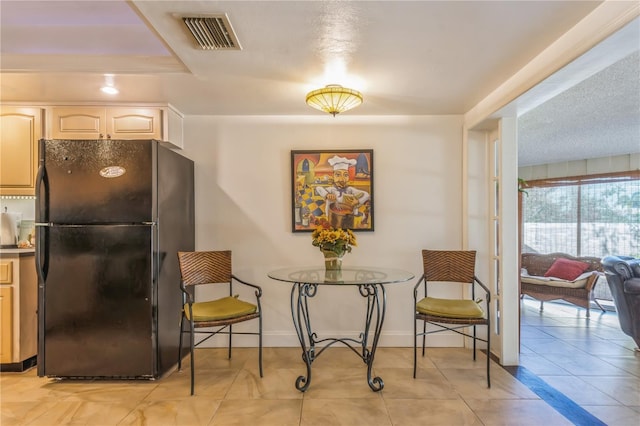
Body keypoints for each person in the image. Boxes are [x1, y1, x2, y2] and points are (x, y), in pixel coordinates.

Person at [315, 155, 370, 229]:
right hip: (332, 221)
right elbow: (318, 188)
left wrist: (357, 201)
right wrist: (327, 195)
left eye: (345, 175)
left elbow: (366, 194)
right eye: (338, 175)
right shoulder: (331, 190)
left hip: (349, 221)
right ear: (333, 176)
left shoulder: (350, 190)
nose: (342, 179)